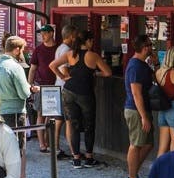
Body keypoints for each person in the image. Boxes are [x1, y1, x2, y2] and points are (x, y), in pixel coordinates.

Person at [49, 29, 111, 168]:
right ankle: (89, 157)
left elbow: (52, 65)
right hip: (85, 93)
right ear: (88, 41)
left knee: (73, 125)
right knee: (89, 126)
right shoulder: (92, 56)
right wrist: (95, 74)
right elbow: (108, 72)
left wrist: (63, 77)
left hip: (69, 91)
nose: (93, 43)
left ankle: (76, 158)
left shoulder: (70, 54)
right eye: (92, 40)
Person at [0, 35, 38, 178]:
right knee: (18, 147)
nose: (23, 53)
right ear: (16, 50)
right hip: (14, 111)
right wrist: (31, 89)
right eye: (22, 50)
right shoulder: (15, 67)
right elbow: (23, 93)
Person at [122, 35, 154, 178]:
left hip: (141, 109)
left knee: (147, 143)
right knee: (136, 143)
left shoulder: (142, 64)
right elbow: (136, 93)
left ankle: (132, 173)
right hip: (136, 110)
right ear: (145, 47)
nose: (152, 47)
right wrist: (143, 117)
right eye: (150, 45)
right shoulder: (135, 66)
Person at [27, 24, 58, 153]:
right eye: (41, 34)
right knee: (40, 113)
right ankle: (42, 144)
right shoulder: (38, 50)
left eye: (45, 33)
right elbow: (33, 69)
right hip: (40, 85)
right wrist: (29, 86)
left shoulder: (58, 49)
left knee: (52, 115)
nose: (42, 36)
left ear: (51, 33)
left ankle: (49, 141)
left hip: (55, 86)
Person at [53, 24, 76, 159]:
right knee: (68, 121)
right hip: (65, 89)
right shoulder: (66, 50)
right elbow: (64, 70)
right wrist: (67, 78)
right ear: (71, 36)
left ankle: (56, 147)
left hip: (58, 86)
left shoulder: (60, 48)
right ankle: (74, 151)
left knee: (58, 120)